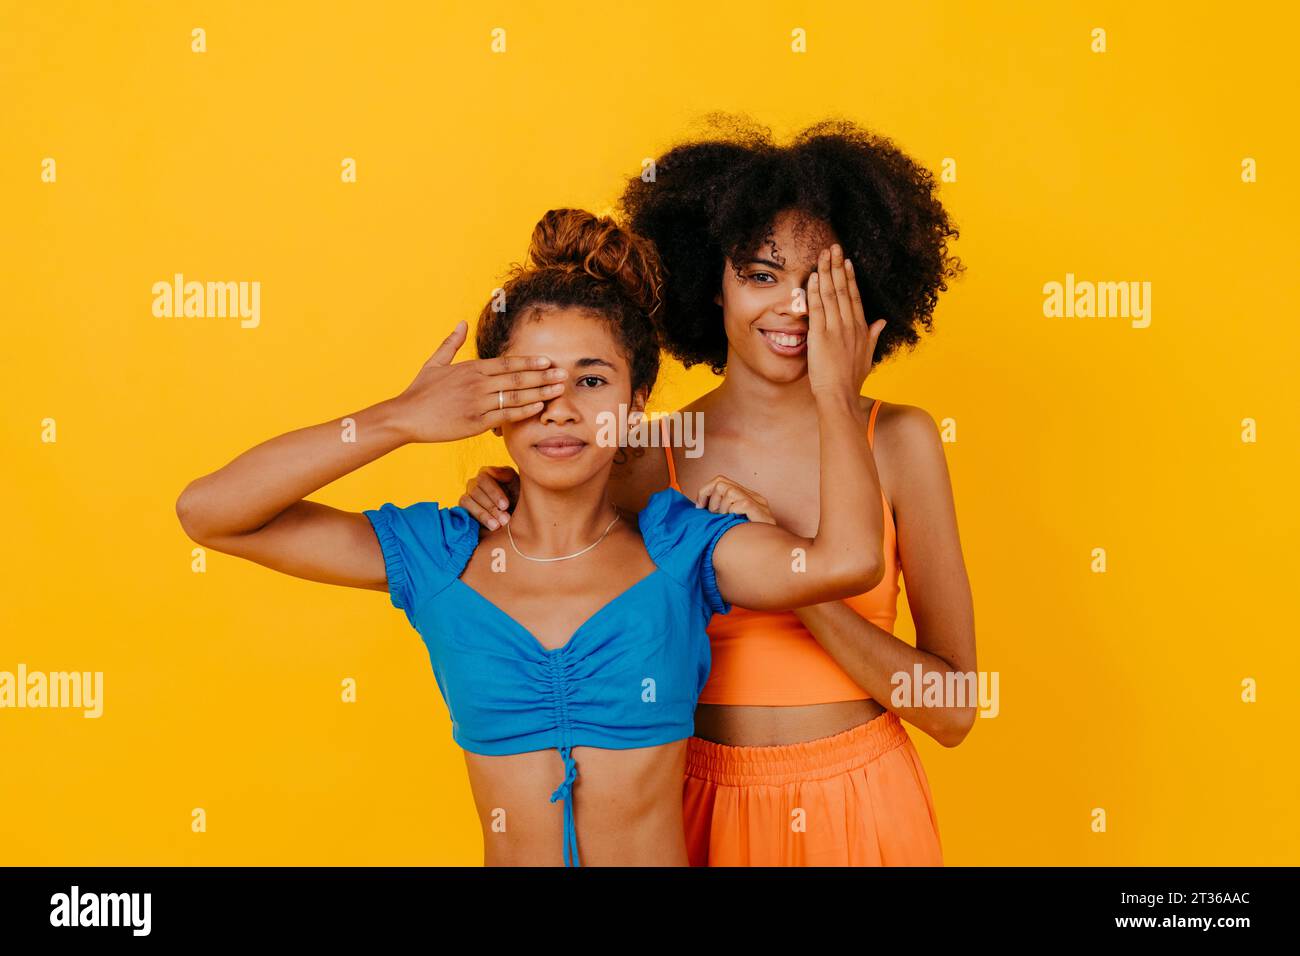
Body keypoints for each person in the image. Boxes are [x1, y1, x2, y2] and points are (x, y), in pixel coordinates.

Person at [175, 207, 888, 866]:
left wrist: (832, 389)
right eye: (531, 384)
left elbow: (849, 561)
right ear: (490, 403)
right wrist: (397, 419)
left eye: (592, 380)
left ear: (635, 404)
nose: (560, 411)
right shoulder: (441, 557)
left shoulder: (680, 548)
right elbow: (209, 512)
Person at [461, 118, 976, 866]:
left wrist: (794, 575)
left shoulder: (900, 442)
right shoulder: (643, 453)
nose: (792, 308)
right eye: (760, 275)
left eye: (820, 280)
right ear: (713, 283)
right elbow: (559, 557)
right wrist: (509, 492)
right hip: (691, 804)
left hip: (860, 807)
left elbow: (954, 711)